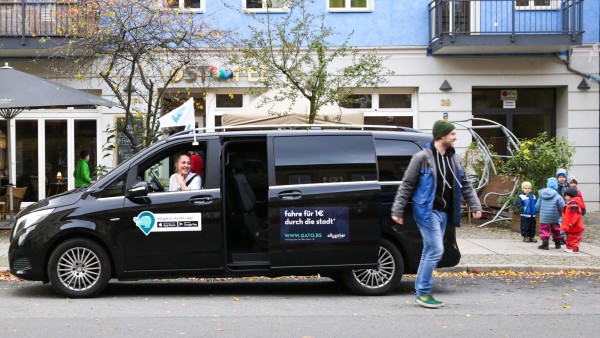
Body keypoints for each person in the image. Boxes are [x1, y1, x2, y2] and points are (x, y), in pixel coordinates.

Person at [391, 120, 482, 309]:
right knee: (436, 250)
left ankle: (420, 292)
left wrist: (475, 205)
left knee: (429, 251)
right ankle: (423, 293)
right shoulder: (422, 158)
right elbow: (407, 184)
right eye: (453, 134)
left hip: (443, 213)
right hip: (426, 211)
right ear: (442, 136)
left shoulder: (454, 159)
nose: (455, 137)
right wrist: (397, 210)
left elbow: (465, 184)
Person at [535, 177, 565, 250]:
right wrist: (561, 214)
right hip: (554, 216)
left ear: (547, 185)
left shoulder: (542, 195)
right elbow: (562, 206)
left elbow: (537, 206)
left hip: (544, 216)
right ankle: (557, 243)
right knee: (556, 228)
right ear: (556, 185)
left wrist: (539, 211)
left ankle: (545, 243)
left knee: (544, 228)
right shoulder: (558, 196)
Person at [560, 187, 585, 253]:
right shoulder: (570, 203)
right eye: (565, 196)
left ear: (572, 196)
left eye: (567, 196)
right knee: (569, 236)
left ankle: (574, 248)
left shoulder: (574, 204)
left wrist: (571, 223)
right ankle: (569, 247)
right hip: (569, 224)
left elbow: (574, 215)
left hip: (574, 225)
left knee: (574, 237)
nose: (565, 197)